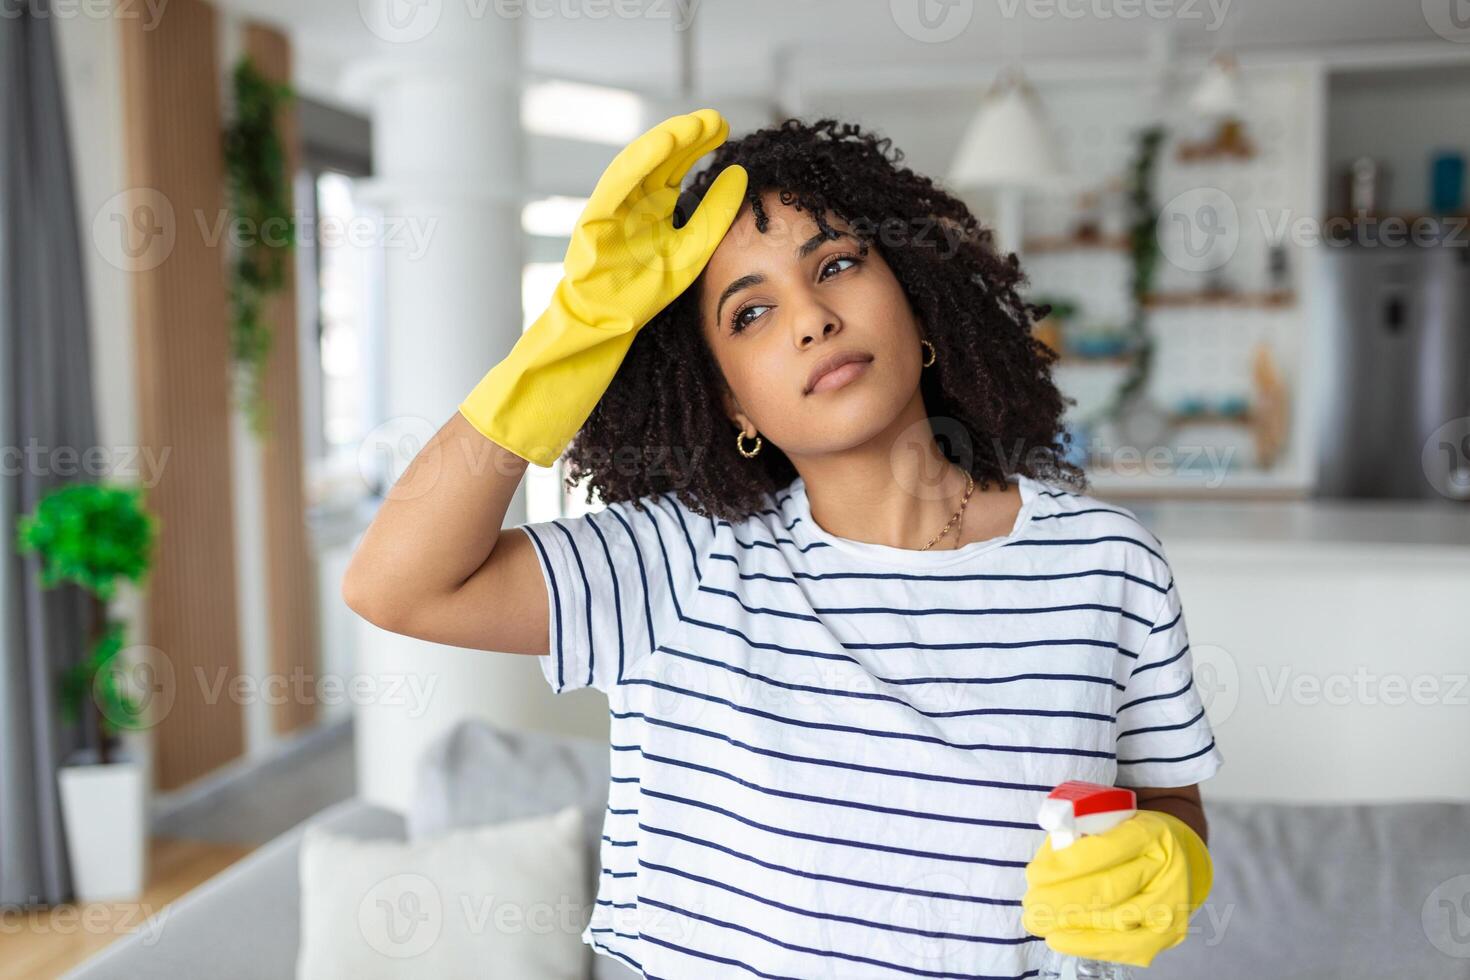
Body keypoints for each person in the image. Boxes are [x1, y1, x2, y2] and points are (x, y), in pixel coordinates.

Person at [343, 108, 1222, 979]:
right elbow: (398, 585)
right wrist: (564, 344)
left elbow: (1165, 799)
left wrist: (1171, 855)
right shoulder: (679, 564)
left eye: (836, 264)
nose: (811, 319)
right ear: (733, 404)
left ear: (917, 309)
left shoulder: (1107, 563)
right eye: (751, 314)